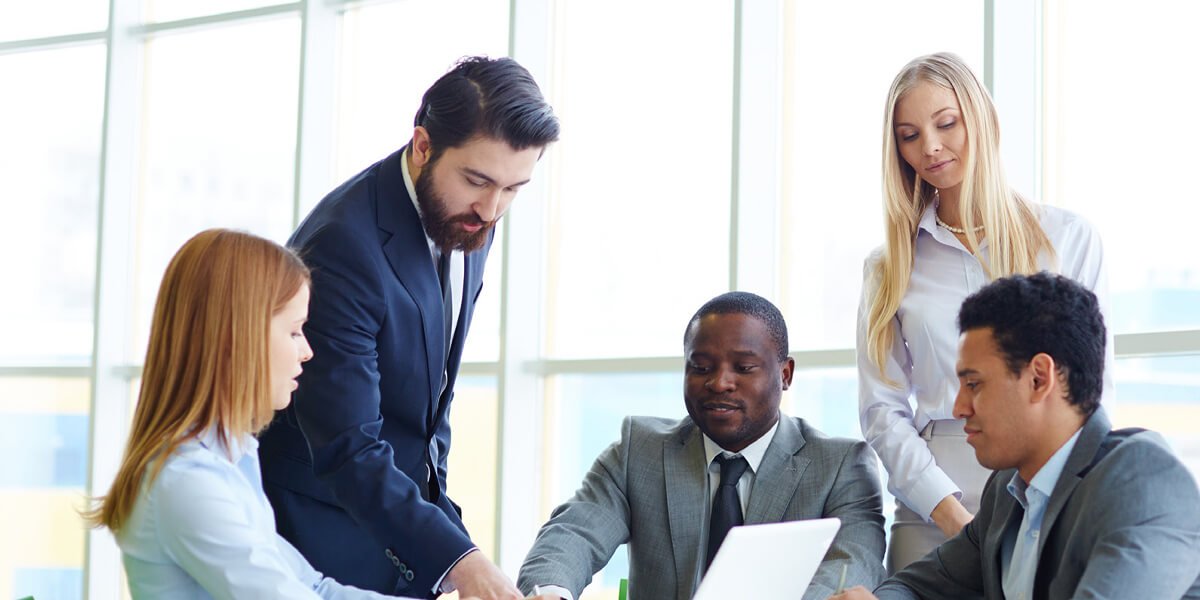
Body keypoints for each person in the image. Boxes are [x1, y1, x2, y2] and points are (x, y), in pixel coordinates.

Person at [256, 56, 559, 600]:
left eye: (514, 189)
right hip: (322, 530)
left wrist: (457, 548)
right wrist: (463, 563)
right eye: (478, 180)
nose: (492, 209)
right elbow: (347, 446)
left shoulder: (468, 217)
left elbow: (426, 402)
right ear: (422, 146)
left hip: (402, 523)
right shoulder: (342, 246)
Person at [856, 51, 1114, 572]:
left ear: (981, 119)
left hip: (1048, 488)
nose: (929, 147)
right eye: (908, 135)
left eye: (945, 123)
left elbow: (1093, 385)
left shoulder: (1066, 239)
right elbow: (882, 409)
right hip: (931, 499)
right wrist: (950, 513)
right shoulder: (888, 267)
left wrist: (1056, 498)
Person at [83, 229, 428, 599]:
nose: (307, 351)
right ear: (239, 337)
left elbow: (314, 588)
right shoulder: (187, 481)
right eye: (295, 332)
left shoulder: (228, 459)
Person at [833, 272, 1200, 600]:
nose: (959, 408)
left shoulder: (1144, 483)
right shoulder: (1008, 490)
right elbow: (918, 585)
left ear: (1039, 378)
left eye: (974, 384)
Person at [518, 292, 886, 600]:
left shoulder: (840, 466)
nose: (719, 383)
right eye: (701, 367)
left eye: (743, 368)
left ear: (785, 374)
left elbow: (851, 563)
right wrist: (552, 590)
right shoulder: (639, 453)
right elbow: (574, 533)